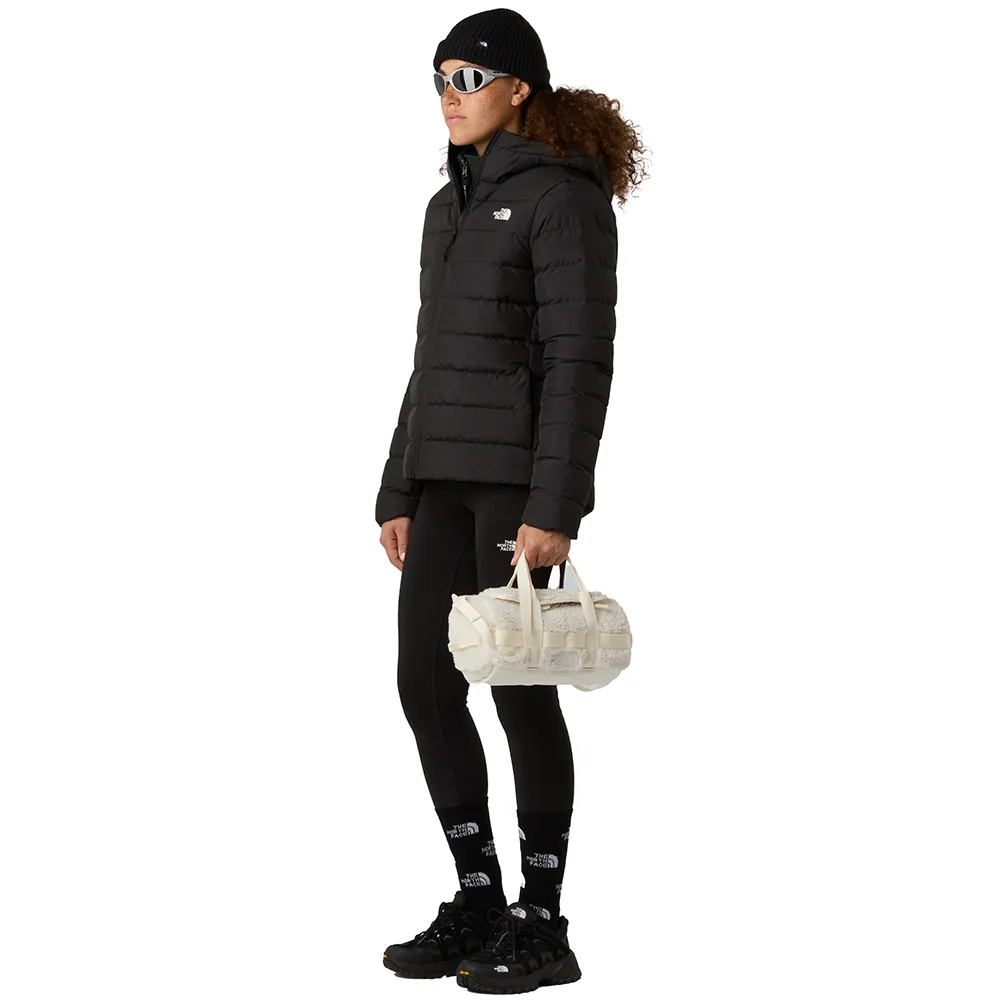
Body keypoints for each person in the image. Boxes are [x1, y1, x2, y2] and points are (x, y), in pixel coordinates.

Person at [375, 8, 646, 993]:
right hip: (441, 479)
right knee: (424, 684)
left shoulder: (563, 198)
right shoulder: (445, 206)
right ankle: (479, 894)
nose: (448, 96)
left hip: (517, 487)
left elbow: (579, 360)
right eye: (438, 78)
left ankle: (543, 918)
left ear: (518, 87)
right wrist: (399, 484)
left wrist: (556, 504)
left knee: (519, 687)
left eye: (468, 77)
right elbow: (431, 359)